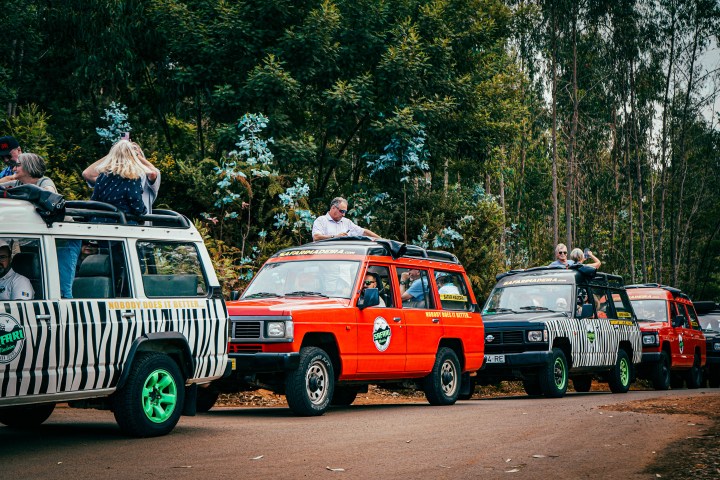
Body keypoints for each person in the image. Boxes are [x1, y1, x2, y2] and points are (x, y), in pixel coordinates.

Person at [83, 139, 160, 216]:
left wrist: (127, 152)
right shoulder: (107, 176)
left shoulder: (144, 175)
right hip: (127, 223)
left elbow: (153, 173)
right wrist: (119, 150)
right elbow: (87, 174)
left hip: (104, 221)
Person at [312, 197, 380, 241]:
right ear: (333, 208)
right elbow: (316, 237)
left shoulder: (346, 222)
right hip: (326, 257)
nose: (343, 215)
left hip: (344, 258)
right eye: (342, 211)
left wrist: (382, 240)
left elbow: (363, 232)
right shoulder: (321, 220)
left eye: (345, 212)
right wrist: (335, 237)